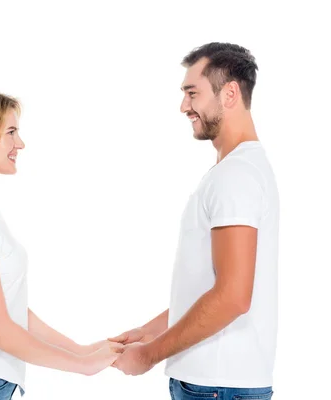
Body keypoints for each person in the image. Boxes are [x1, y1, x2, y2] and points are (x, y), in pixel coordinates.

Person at [0, 89, 122, 400]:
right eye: (11, 132)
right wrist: (80, 365)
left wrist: (81, 351)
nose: (20, 143)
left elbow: (12, 311)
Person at [110, 43, 279, 400]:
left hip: (216, 386)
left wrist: (147, 356)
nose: (184, 106)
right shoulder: (237, 171)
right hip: (218, 384)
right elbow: (211, 287)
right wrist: (150, 331)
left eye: (192, 93)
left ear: (230, 93)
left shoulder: (236, 176)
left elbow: (232, 296)